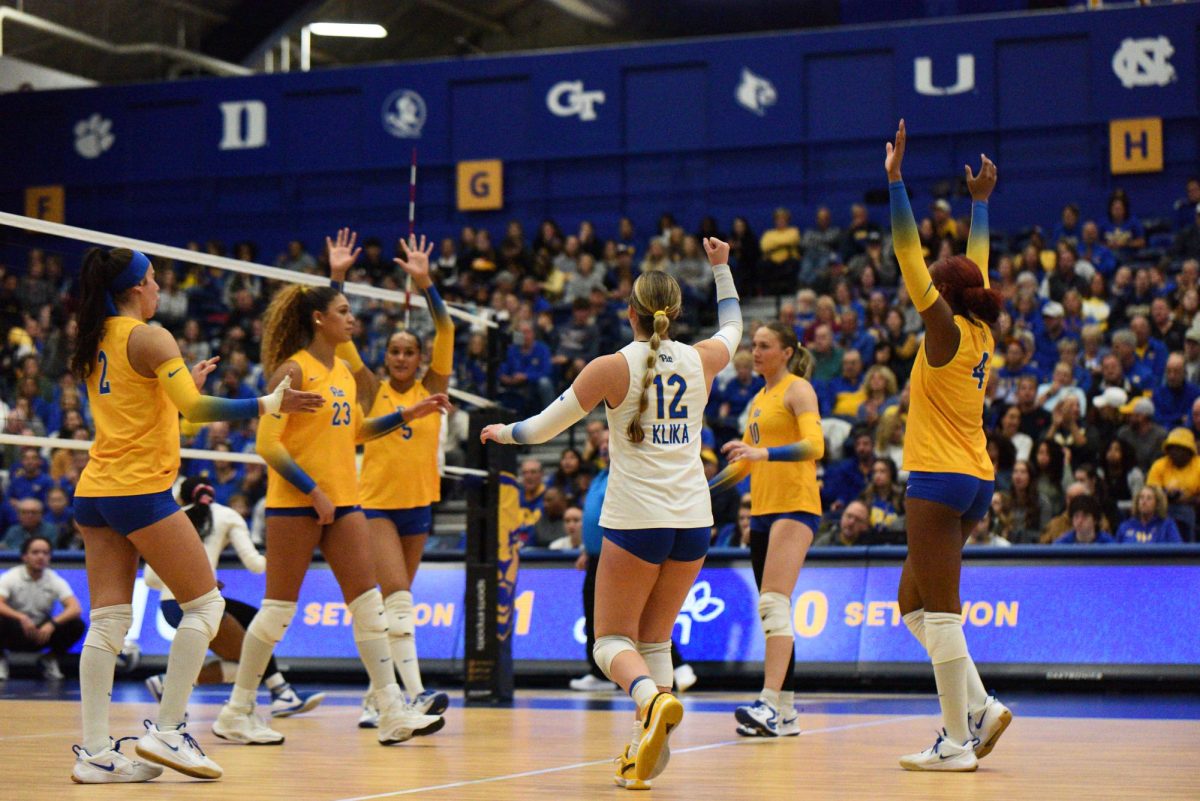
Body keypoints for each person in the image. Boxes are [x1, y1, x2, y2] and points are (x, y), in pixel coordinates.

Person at [481, 236, 741, 790]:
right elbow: (734, 330)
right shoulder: (702, 359)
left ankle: (649, 702)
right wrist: (721, 269)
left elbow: (543, 428)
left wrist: (502, 431)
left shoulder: (610, 366)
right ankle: (650, 755)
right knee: (654, 640)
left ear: (631, 313)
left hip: (636, 520)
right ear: (674, 312)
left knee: (609, 643)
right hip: (694, 521)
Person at [68, 246, 323, 783]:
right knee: (206, 607)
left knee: (109, 620)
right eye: (155, 279)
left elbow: (154, 412)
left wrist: (180, 396)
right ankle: (168, 731)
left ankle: (94, 752)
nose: (160, 289)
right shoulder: (151, 335)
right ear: (137, 287)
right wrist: (270, 405)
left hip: (95, 490)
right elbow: (198, 410)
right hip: (139, 490)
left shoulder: (94, 336)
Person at [212, 231, 450, 748]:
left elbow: (357, 432)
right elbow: (266, 444)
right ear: (321, 319)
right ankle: (237, 710)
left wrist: (407, 413)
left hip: (346, 504)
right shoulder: (293, 369)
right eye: (343, 310)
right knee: (277, 612)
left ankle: (391, 710)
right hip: (295, 506)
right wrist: (311, 489)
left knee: (369, 607)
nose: (352, 319)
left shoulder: (342, 370)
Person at [885, 122, 1011, 771]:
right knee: (913, 602)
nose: (927, 285)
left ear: (943, 292)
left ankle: (957, 741)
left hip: (935, 480)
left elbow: (910, 257)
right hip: (975, 481)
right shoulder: (980, 326)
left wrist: (896, 183)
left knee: (940, 613)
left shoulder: (942, 331)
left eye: (936, 281)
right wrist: (980, 204)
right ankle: (983, 706)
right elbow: (976, 264)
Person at [346, 231, 455, 727]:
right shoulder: (371, 391)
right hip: (377, 508)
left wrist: (425, 281)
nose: (402, 357)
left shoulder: (435, 386)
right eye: (395, 351)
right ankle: (415, 694)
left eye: (410, 351)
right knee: (398, 600)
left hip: (419, 507)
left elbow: (447, 329)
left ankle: (376, 697)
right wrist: (337, 280)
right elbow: (342, 344)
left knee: (394, 613)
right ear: (386, 356)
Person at [708, 319, 822, 737]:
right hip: (762, 510)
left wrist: (763, 453)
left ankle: (769, 704)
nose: (755, 352)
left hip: (795, 505)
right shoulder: (758, 398)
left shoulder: (798, 389)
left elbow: (816, 446)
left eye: (764, 345)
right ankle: (786, 714)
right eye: (753, 345)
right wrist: (704, 490)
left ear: (787, 352)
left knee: (774, 604)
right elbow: (744, 463)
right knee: (774, 611)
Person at [142, 478, 324, 717]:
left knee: (251, 618)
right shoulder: (227, 515)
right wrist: (286, 557)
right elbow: (255, 564)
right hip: (203, 602)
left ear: (183, 498)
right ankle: (169, 684)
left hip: (171, 605)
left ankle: (281, 691)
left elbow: (150, 578)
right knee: (252, 661)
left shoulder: (171, 518)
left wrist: (186, 578)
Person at [570, 429, 618, 692]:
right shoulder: (600, 476)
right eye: (600, 444)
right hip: (595, 557)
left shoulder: (623, 475)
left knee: (634, 618)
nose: (603, 448)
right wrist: (587, 551)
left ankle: (675, 664)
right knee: (593, 616)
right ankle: (599, 674)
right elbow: (594, 518)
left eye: (608, 443)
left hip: (616, 558)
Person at [0, 535, 84, 681]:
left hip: (41, 633)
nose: (41, 557)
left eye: (45, 553)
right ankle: (0, 659)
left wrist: (52, 624)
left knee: (76, 624)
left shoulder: (54, 579)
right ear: (25, 556)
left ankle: (49, 658)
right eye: (35, 552)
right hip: (14, 631)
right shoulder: (11, 577)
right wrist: (20, 617)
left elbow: (75, 608)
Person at [1146, 427, 1200, 542]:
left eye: (1179, 448)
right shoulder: (1159, 465)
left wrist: (1189, 499)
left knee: (1186, 512)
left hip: (1194, 510)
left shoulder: (1198, 465)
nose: (1175, 452)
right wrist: (1166, 494)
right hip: (1163, 508)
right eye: (1172, 448)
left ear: (1189, 451)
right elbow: (1151, 492)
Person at [1115, 486, 1182, 544]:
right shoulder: (1125, 526)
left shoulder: (1167, 525)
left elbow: (1178, 552)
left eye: (1149, 498)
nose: (1144, 502)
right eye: (1141, 497)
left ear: (1157, 504)